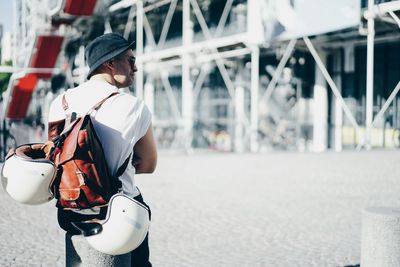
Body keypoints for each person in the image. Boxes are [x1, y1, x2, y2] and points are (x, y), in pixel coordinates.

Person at [47, 33, 157, 266]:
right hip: (118, 211)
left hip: (70, 209)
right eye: (130, 60)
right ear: (110, 63)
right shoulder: (134, 106)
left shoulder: (60, 103)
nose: (135, 68)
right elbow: (148, 164)